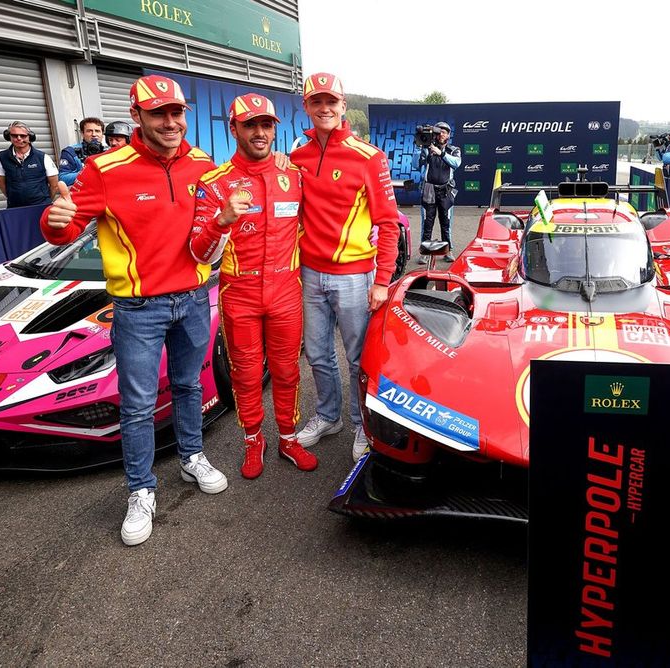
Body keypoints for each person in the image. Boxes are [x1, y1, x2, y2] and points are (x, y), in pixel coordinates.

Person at [40, 74, 227, 547]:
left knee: (187, 386)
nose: (170, 122)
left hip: (193, 299)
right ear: (138, 117)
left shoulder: (203, 163)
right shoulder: (106, 168)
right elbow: (65, 225)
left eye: (177, 112)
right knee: (139, 405)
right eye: (158, 113)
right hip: (138, 309)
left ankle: (191, 457)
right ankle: (141, 490)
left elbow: (225, 208)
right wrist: (53, 220)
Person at [190, 93, 316, 478]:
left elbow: (323, 220)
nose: (259, 133)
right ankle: (253, 440)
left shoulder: (294, 174)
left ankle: (289, 438)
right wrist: (221, 220)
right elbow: (199, 252)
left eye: (266, 125)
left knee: (287, 371)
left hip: (286, 292)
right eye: (250, 125)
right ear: (234, 129)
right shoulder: (213, 183)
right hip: (238, 294)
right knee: (245, 374)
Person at [290, 72, 401, 461]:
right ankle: (328, 416)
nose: (325, 108)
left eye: (331, 101)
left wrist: (382, 280)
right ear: (306, 106)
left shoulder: (369, 157)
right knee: (318, 354)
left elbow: (389, 224)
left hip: (355, 276)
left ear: (342, 106)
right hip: (310, 274)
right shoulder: (296, 158)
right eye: (317, 101)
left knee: (358, 359)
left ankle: (360, 424)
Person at [416, 120, 461, 263]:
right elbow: (416, 164)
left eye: (444, 131)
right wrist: (419, 147)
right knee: (427, 222)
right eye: (438, 131)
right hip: (429, 190)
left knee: (445, 223)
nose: (441, 134)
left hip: (446, 192)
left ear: (448, 135)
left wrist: (440, 153)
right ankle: (424, 251)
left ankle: (448, 251)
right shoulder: (427, 147)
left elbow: (456, 163)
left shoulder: (454, 150)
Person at [0, 121, 59, 208]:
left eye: (23, 136)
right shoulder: (1, 157)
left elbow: (54, 185)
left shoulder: (43, 157)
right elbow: (1, 182)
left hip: (41, 207)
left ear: (30, 137)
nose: (19, 138)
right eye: (14, 135)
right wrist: (13, 197)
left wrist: (45, 202)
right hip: (15, 208)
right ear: (8, 137)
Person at [58, 117, 105, 186]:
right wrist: (88, 173)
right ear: (82, 133)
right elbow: (63, 178)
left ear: (102, 134)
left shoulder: (108, 151)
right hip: (83, 193)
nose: (94, 134)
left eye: (97, 131)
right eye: (89, 131)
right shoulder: (71, 151)